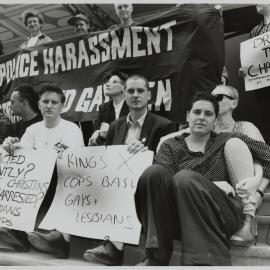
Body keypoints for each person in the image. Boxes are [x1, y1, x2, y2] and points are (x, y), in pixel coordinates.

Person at [134, 91, 270, 266]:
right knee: (153, 173)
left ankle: (204, 262)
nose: (201, 117)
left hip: (220, 215)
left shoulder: (227, 138)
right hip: (179, 217)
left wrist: (256, 180)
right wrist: (214, 184)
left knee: (184, 178)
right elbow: (163, 186)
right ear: (188, 116)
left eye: (208, 114)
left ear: (214, 120)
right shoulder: (171, 145)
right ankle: (156, 256)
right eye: (197, 112)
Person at [83, 75, 176, 265]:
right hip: (117, 187)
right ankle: (109, 246)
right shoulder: (115, 127)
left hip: (145, 191)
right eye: (131, 91)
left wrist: (146, 154)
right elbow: (108, 161)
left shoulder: (164, 126)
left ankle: (114, 248)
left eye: (140, 91)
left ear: (149, 95)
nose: (135, 95)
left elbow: (166, 168)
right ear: (124, 94)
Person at [3, 85, 84, 258]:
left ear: (62, 106)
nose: (49, 105)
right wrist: (11, 146)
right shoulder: (32, 130)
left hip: (60, 181)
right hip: (39, 185)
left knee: (68, 178)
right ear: (39, 104)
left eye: (54, 102)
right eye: (45, 101)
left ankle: (61, 240)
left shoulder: (71, 129)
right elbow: (23, 157)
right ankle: (17, 230)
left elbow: (75, 163)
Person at [89, 71, 129, 146]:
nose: (107, 84)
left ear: (123, 87)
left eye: (114, 82)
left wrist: (110, 128)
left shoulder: (131, 106)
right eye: (108, 82)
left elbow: (130, 130)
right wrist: (97, 133)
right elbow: (97, 132)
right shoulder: (103, 108)